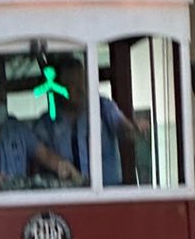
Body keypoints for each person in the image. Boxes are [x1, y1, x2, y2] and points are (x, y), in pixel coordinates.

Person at [36, 58, 145, 186]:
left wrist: (133, 128)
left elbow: (121, 125)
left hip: (107, 192)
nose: (80, 88)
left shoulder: (102, 106)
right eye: (72, 83)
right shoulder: (47, 123)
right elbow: (38, 156)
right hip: (67, 194)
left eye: (83, 81)